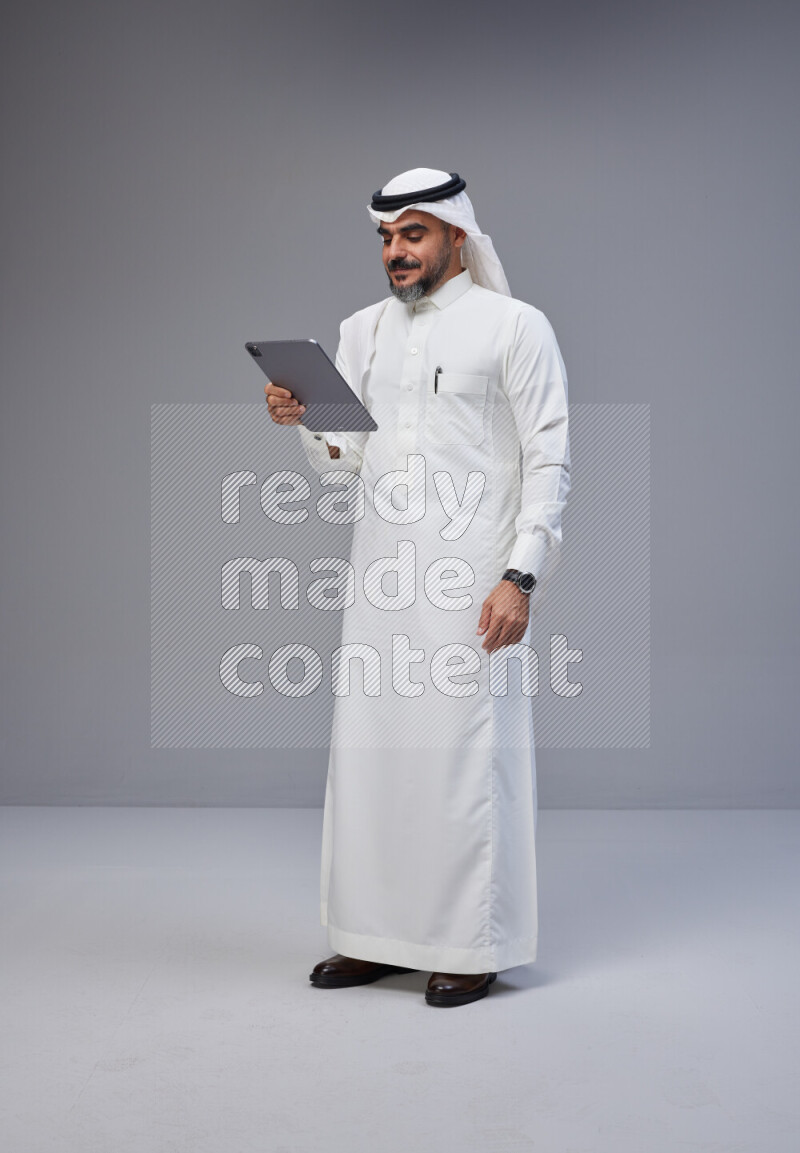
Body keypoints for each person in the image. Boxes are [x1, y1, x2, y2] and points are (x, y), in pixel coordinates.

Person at [265, 168, 570, 1007]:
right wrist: (306, 418)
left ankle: (471, 944)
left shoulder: (515, 327)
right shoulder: (361, 331)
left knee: (463, 762)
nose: (396, 252)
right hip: (380, 580)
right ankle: (372, 937)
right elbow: (347, 461)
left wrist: (522, 574)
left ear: (455, 237)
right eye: (386, 238)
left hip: (475, 581)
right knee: (374, 760)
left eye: (413, 233)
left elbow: (550, 459)